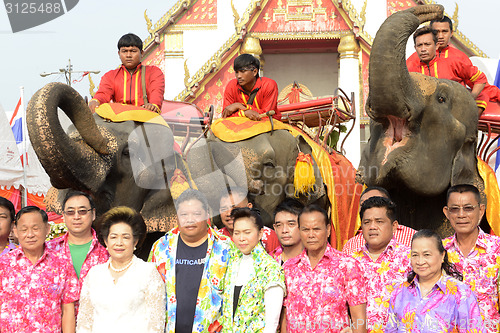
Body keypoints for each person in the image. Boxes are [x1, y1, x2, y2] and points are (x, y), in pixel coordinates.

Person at [149, 189, 232, 333]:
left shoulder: (227, 248)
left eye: (196, 214)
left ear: (207, 214)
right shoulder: (161, 248)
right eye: (184, 214)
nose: (190, 220)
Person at [76, 206, 166, 332]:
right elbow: (84, 321)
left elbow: (156, 323)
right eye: (113, 237)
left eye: (125, 237)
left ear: (135, 241)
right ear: (106, 241)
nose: (119, 242)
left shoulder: (147, 272)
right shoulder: (94, 274)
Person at [283, 205, 367, 333]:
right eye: (305, 229)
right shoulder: (289, 268)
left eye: (316, 229)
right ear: (299, 231)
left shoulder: (347, 265)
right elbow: (285, 317)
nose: (311, 235)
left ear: (328, 230)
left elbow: (359, 318)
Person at [385, 229, 484, 332]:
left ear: (442, 255)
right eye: (415, 255)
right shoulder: (400, 292)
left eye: (426, 255)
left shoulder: (461, 294)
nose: (420, 261)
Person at [0, 206, 79, 332]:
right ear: (15, 230)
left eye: (36, 228)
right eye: (24, 229)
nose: (30, 234)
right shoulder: (3, 264)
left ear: (47, 229)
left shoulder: (63, 264)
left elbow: (67, 310)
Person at [442, 184, 500, 333]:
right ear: (447, 212)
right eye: (455, 209)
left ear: (481, 210)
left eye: (468, 208)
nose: (461, 215)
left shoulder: (497, 249)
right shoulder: (438, 250)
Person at [220, 207, 285, 332]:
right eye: (237, 232)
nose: (241, 238)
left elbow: (272, 324)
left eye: (247, 232)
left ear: (260, 233)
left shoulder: (270, 268)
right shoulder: (232, 263)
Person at [351, 197, 411, 332]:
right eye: (367, 222)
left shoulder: (410, 259)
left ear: (394, 226)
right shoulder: (350, 262)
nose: (372, 226)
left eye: (379, 221)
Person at [406, 21, 490, 115]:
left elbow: (481, 79)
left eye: (427, 44)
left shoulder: (454, 61)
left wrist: (469, 99)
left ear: (436, 45)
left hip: (453, 114)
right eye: (419, 45)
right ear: (415, 47)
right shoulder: (410, 66)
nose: (423, 49)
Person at [47, 191, 109, 291]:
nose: (76, 217)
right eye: (70, 212)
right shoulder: (48, 250)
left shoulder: (108, 250)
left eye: (82, 211)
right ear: (63, 215)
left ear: (93, 214)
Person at [89, 33, 165, 113]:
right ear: (119, 54)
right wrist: (95, 101)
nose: (128, 55)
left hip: (146, 117)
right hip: (119, 119)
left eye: (133, 51)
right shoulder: (110, 76)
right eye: (124, 51)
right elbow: (103, 94)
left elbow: (156, 93)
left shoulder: (154, 73)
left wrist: (153, 105)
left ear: (141, 53)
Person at [342, 186, 416, 255]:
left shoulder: (412, 240)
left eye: (379, 221)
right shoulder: (351, 246)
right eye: (363, 204)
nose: (372, 227)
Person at [218, 187, 280, 254]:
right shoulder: (215, 238)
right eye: (224, 209)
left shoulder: (269, 236)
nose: (229, 213)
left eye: (235, 208)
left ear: (249, 207)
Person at [222, 54, 280, 121]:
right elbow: (225, 115)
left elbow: (267, 114)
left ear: (254, 72)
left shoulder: (269, 85)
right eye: (237, 72)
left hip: (267, 126)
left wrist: (239, 106)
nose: (239, 76)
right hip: (240, 126)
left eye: (243, 71)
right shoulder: (232, 85)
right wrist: (245, 113)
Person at [271, 198, 304, 265]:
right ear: (275, 228)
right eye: (279, 225)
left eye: (291, 224)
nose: (284, 230)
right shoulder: (267, 261)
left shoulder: (316, 261)